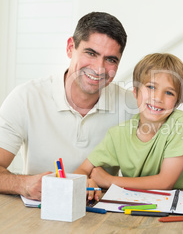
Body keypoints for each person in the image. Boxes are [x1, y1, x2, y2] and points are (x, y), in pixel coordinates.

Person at [0, 12, 137, 200]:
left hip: (101, 218)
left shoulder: (132, 105)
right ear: (70, 48)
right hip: (37, 217)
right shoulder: (26, 98)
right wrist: (23, 184)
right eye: (91, 53)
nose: (99, 69)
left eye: (110, 60)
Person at [74, 53, 183, 201]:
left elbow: (165, 182)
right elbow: (83, 169)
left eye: (169, 93)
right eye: (151, 87)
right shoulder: (118, 133)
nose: (157, 98)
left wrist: (109, 181)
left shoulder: (180, 123)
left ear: (177, 102)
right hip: (132, 207)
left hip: (176, 207)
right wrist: (85, 182)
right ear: (136, 92)